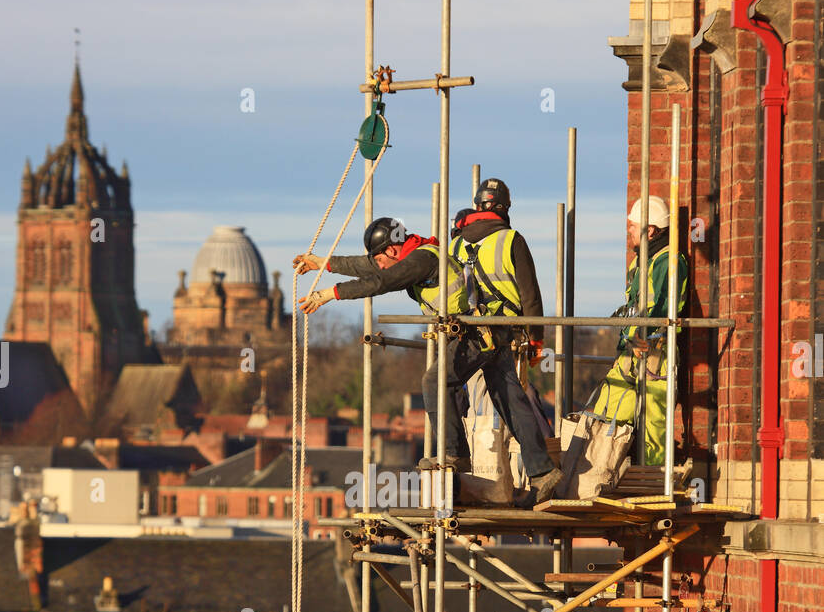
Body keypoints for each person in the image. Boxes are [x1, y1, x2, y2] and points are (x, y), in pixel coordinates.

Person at [294, 196, 561, 504]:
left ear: (392, 250)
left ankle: (454, 456)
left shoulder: (422, 260)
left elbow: (383, 279)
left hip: (476, 331)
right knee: (510, 401)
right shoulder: (412, 252)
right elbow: (370, 266)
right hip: (487, 328)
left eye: (380, 257)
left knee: (434, 382)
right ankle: (543, 473)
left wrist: (330, 294)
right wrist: (323, 262)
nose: (376, 264)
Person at [592, 195, 689, 467]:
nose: (629, 232)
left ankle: (653, 480)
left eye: (633, 227)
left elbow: (663, 307)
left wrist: (646, 338)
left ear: (651, 230)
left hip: (655, 353)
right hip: (631, 351)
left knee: (652, 421)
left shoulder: (668, 261)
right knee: (611, 411)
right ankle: (602, 471)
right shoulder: (639, 263)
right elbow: (634, 308)